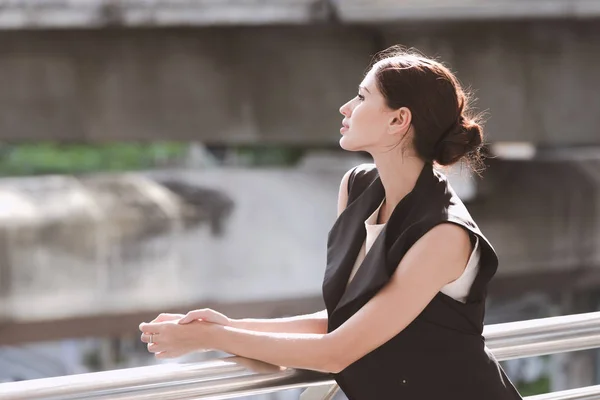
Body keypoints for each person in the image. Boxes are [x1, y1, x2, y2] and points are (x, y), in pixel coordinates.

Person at [139, 46, 523, 399]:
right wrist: (230, 326)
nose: (345, 107)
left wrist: (212, 337)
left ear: (398, 120)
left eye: (361, 97)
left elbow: (337, 352)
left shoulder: (444, 234)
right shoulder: (358, 188)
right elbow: (344, 322)